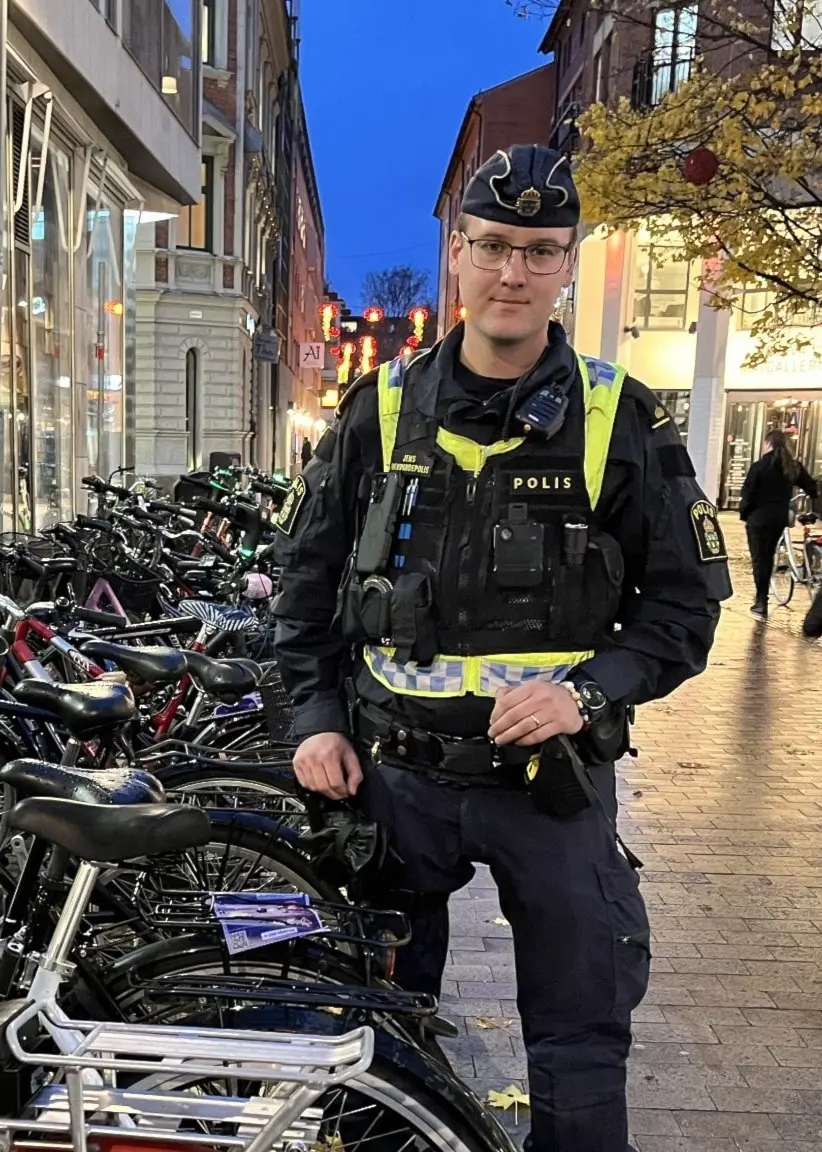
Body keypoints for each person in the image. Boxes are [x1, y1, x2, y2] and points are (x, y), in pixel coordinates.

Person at [272, 144, 733, 1152]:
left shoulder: (621, 418)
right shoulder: (379, 408)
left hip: (551, 786)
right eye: (493, 246)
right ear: (458, 256)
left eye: (539, 250)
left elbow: (686, 605)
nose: (512, 272)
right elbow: (302, 587)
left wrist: (594, 691)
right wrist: (314, 720)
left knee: (578, 1038)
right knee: (379, 1037)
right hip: (397, 782)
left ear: (568, 263)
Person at [739, 429, 817, 619]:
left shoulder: (759, 466)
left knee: (760, 559)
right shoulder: (792, 466)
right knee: (769, 554)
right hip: (779, 518)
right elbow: (812, 486)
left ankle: (761, 601)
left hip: (758, 519)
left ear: (768, 444)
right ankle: (762, 598)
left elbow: (748, 494)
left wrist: (744, 513)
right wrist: (812, 503)